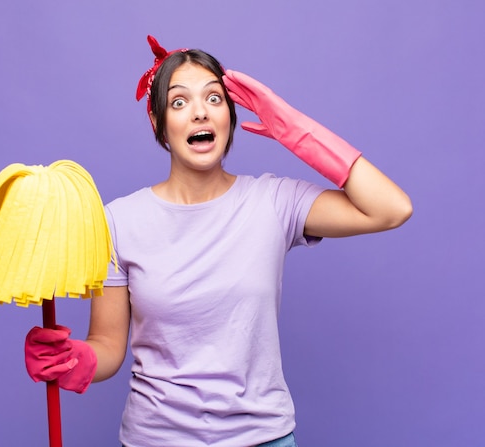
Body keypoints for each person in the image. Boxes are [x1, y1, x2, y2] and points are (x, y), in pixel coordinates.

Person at [24, 35, 412, 447]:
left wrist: (293, 128)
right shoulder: (117, 221)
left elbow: (390, 208)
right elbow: (107, 344)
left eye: (214, 98)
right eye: (179, 102)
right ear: (158, 123)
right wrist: (75, 360)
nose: (198, 113)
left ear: (230, 114)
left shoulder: (274, 202)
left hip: (264, 438)